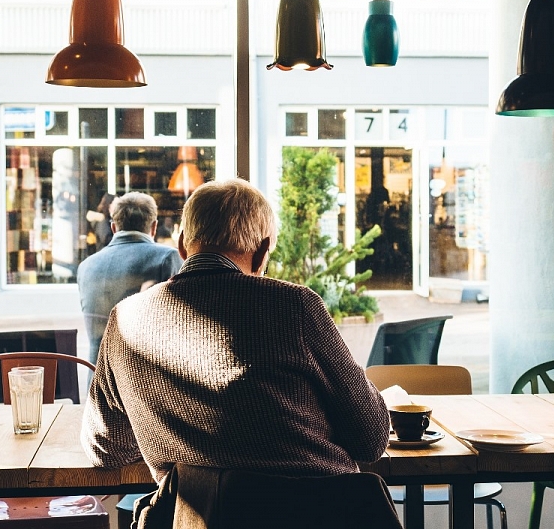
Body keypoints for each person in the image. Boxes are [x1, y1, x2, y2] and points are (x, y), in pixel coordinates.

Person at [81, 178, 389, 484]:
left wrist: (166, 427)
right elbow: (371, 438)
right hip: (321, 514)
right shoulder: (295, 306)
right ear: (262, 251)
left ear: (182, 245)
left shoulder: (125, 320)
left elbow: (105, 449)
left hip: (196, 518)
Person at [77, 191, 183, 366]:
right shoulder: (166, 258)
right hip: (143, 381)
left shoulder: (86, 266)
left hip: (96, 382)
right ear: (154, 227)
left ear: (113, 227)